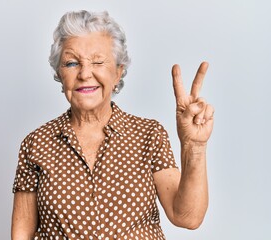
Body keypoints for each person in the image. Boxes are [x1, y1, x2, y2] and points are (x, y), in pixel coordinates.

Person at [11, 10, 214, 240]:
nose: (85, 73)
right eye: (71, 63)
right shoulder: (36, 144)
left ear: (118, 73)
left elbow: (187, 216)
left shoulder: (149, 135)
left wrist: (194, 146)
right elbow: (22, 234)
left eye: (98, 61)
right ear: (59, 73)